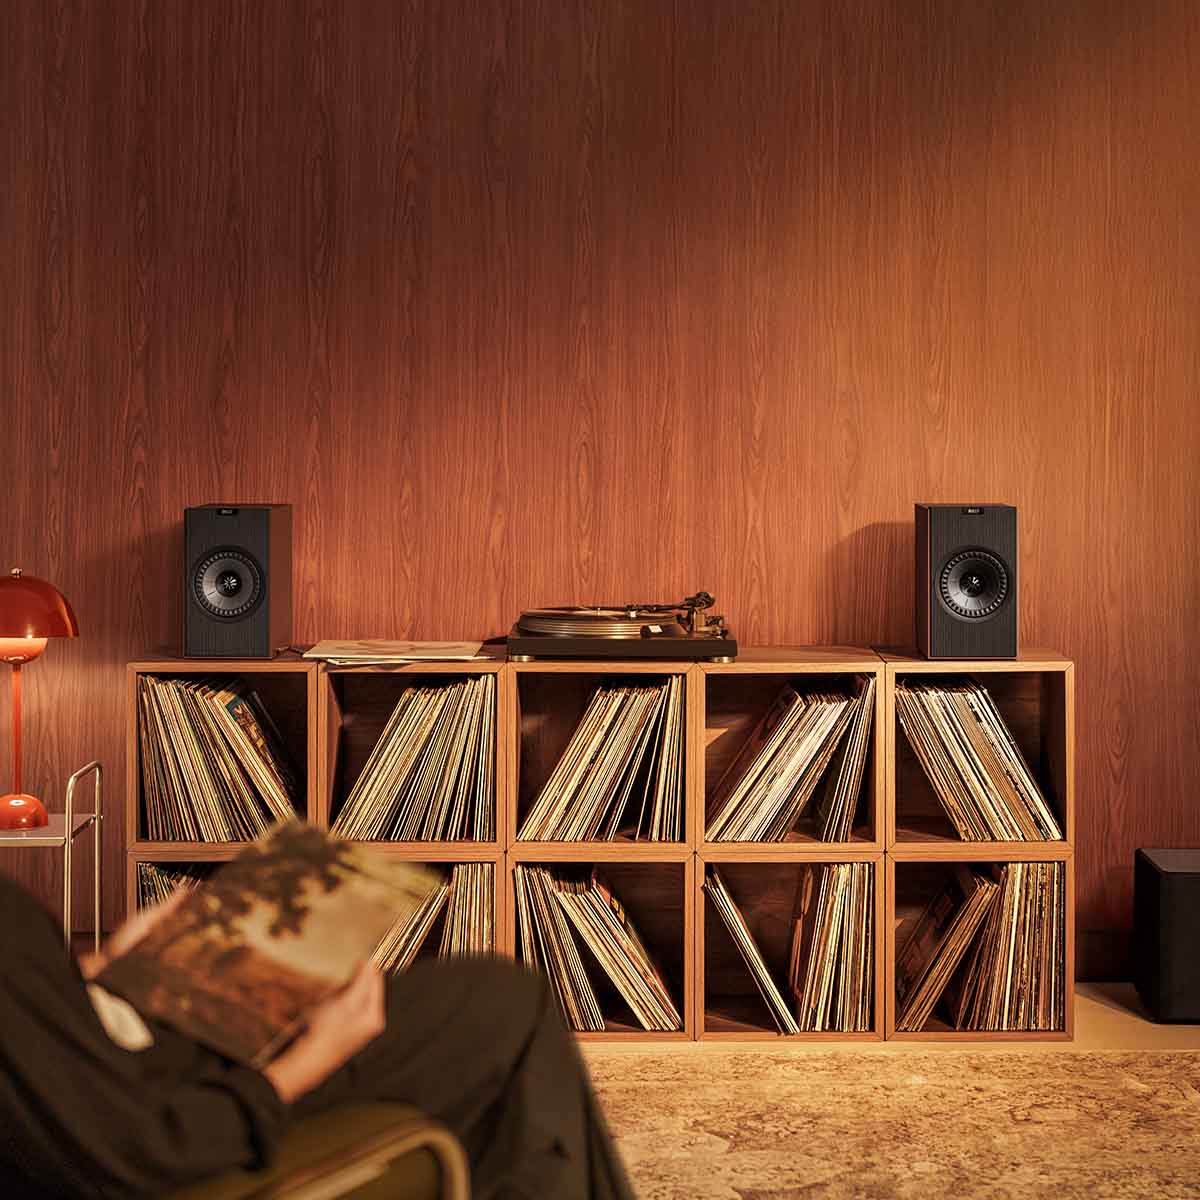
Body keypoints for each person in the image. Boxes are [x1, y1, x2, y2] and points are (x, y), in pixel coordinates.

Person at [0, 874, 635, 1199]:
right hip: (190, 1100)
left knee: (490, 998)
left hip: (134, 1034)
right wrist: (312, 1057)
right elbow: (136, 1150)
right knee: (502, 1003)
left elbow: (32, 1027)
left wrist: (105, 969)